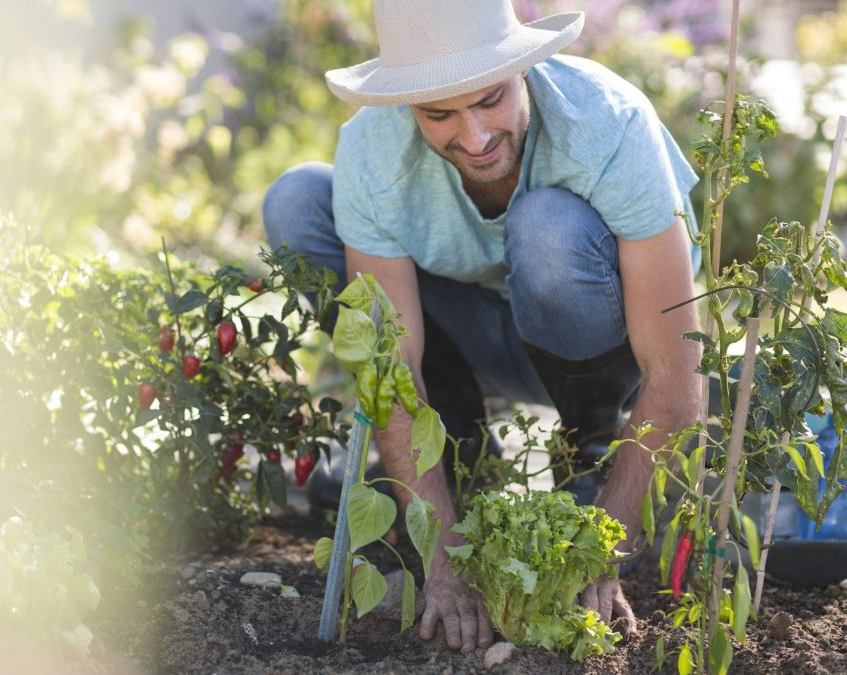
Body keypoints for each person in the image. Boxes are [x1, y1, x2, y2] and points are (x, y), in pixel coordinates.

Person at [263, 0, 702, 654]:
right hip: (471, 341)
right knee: (297, 204)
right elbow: (393, 370)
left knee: (547, 232)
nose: (473, 136)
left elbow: (675, 370)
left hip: (599, 342)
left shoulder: (609, 124)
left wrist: (604, 547)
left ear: (522, 68)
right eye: (438, 114)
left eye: (490, 100)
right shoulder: (373, 148)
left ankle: (589, 456)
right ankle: (463, 462)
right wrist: (441, 552)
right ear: (407, 103)